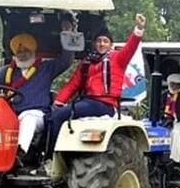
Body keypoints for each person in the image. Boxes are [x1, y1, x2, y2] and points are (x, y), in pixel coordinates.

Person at [48, 13, 147, 155]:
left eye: (105, 41)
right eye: (99, 41)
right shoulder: (87, 62)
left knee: (59, 116)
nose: (101, 44)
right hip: (88, 102)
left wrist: (138, 29)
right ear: (94, 44)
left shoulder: (117, 58)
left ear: (110, 44)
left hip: (104, 104)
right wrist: (58, 101)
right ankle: (38, 156)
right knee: (51, 115)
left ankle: (52, 156)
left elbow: (131, 47)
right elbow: (73, 84)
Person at [0, 14, 74, 158]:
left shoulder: (45, 68)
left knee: (28, 118)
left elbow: (66, 61)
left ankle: (19, 155)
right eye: (18, 52)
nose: (22, 54)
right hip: (10, 114)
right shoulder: (7, 71)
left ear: (33, 50)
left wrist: (68, 34)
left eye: (25, 50)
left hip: (38, 114)